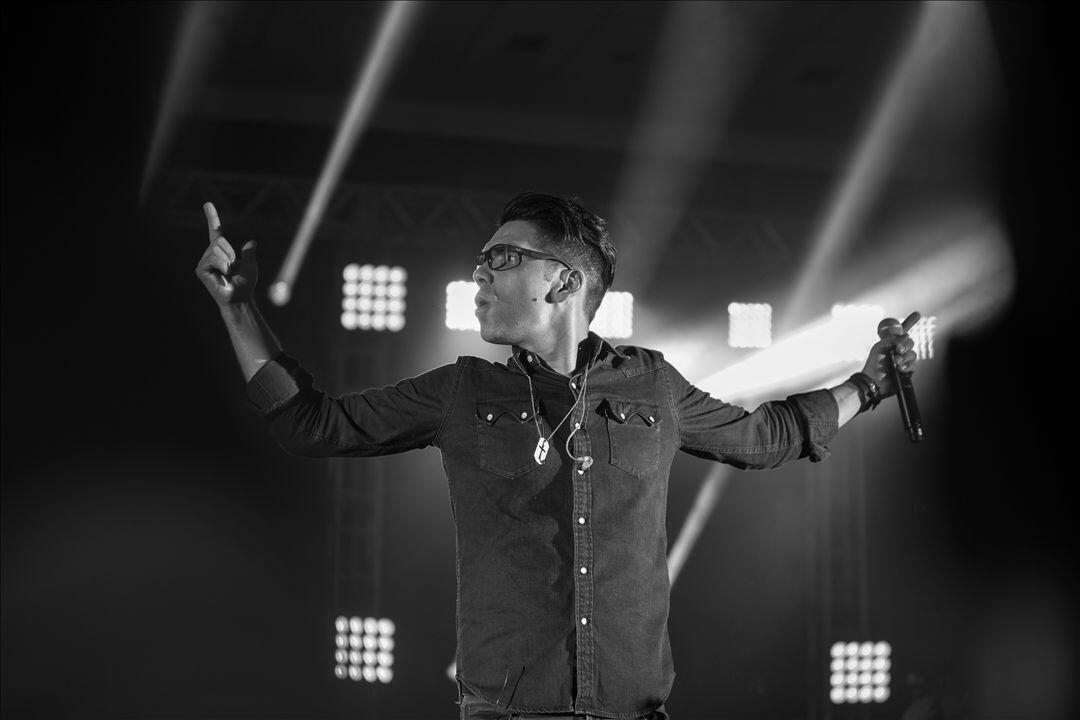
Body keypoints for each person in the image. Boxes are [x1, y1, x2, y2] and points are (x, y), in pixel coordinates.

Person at [195, 192, 917, 720]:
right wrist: (238, 310)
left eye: (502, 259)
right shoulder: (461, 392)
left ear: (565, 282)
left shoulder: (653, 385)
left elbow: (768, 437)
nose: (480, 276)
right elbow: (313, 424)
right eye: (480, 262)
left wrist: (869, 385)